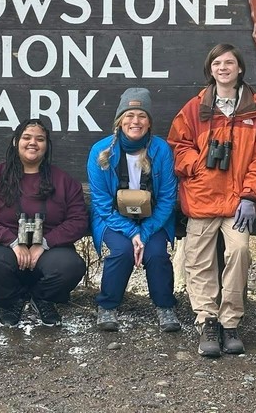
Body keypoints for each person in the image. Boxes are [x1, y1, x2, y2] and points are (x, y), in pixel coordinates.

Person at [167, 44, 256, 358]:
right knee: (198, 260)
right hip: (202, 197)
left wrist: (250, 195)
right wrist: (199, 165)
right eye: (217, 63)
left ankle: (231, 322)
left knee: (240, 251)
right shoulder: (194, 107)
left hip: (237, 200)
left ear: (240, 68)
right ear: (210, 69)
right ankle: (207, 322)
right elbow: (177, 145)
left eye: (229, 63)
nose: (223, 68)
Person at [0, 119, 88, 327]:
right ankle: (15, 300)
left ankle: (42, 299)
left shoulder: (63, 181)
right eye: (27, 137)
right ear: (15, 142)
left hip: (50, 252)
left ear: (46, 145)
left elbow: (78, 220)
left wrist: (45, 243)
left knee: (71, 267)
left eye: (40, 139)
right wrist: (13, 242)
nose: (33, 143)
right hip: (6, 250)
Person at [88, 88, 180, 333]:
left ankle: (165, 306)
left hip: (154, 219)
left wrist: (145, 232)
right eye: (129, 115)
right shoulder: (101, 151)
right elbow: (100, 202)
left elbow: (168, 198)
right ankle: (107, 306)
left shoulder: (161, 150)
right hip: (114, 218)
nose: (135, 121)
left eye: (141, 115)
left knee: (156, 254)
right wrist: (132, 233)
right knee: (121, 251)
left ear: (149, 122)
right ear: (119, 120)